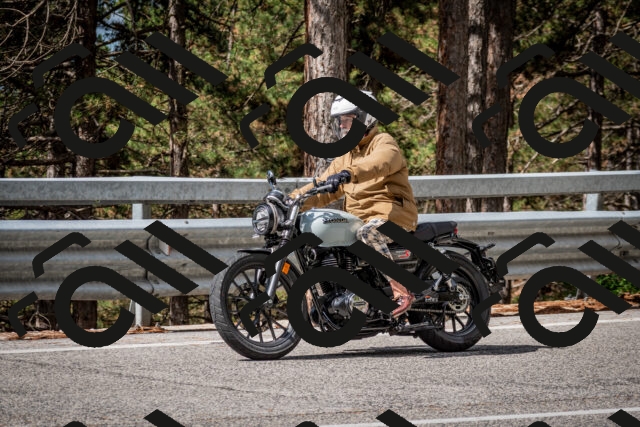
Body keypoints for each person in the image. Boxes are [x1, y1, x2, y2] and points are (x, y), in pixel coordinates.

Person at [288, 90, 419, 318]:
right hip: (358, 219)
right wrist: (293, 199)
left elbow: (379, 163)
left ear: (365, 118)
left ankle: (402, 292)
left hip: (391, 214)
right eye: (340, 121)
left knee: (368, 233)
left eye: (347, 120)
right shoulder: (345, 156)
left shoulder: (383, 142)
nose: (342, 126)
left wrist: (349, 173)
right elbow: (322, 187)